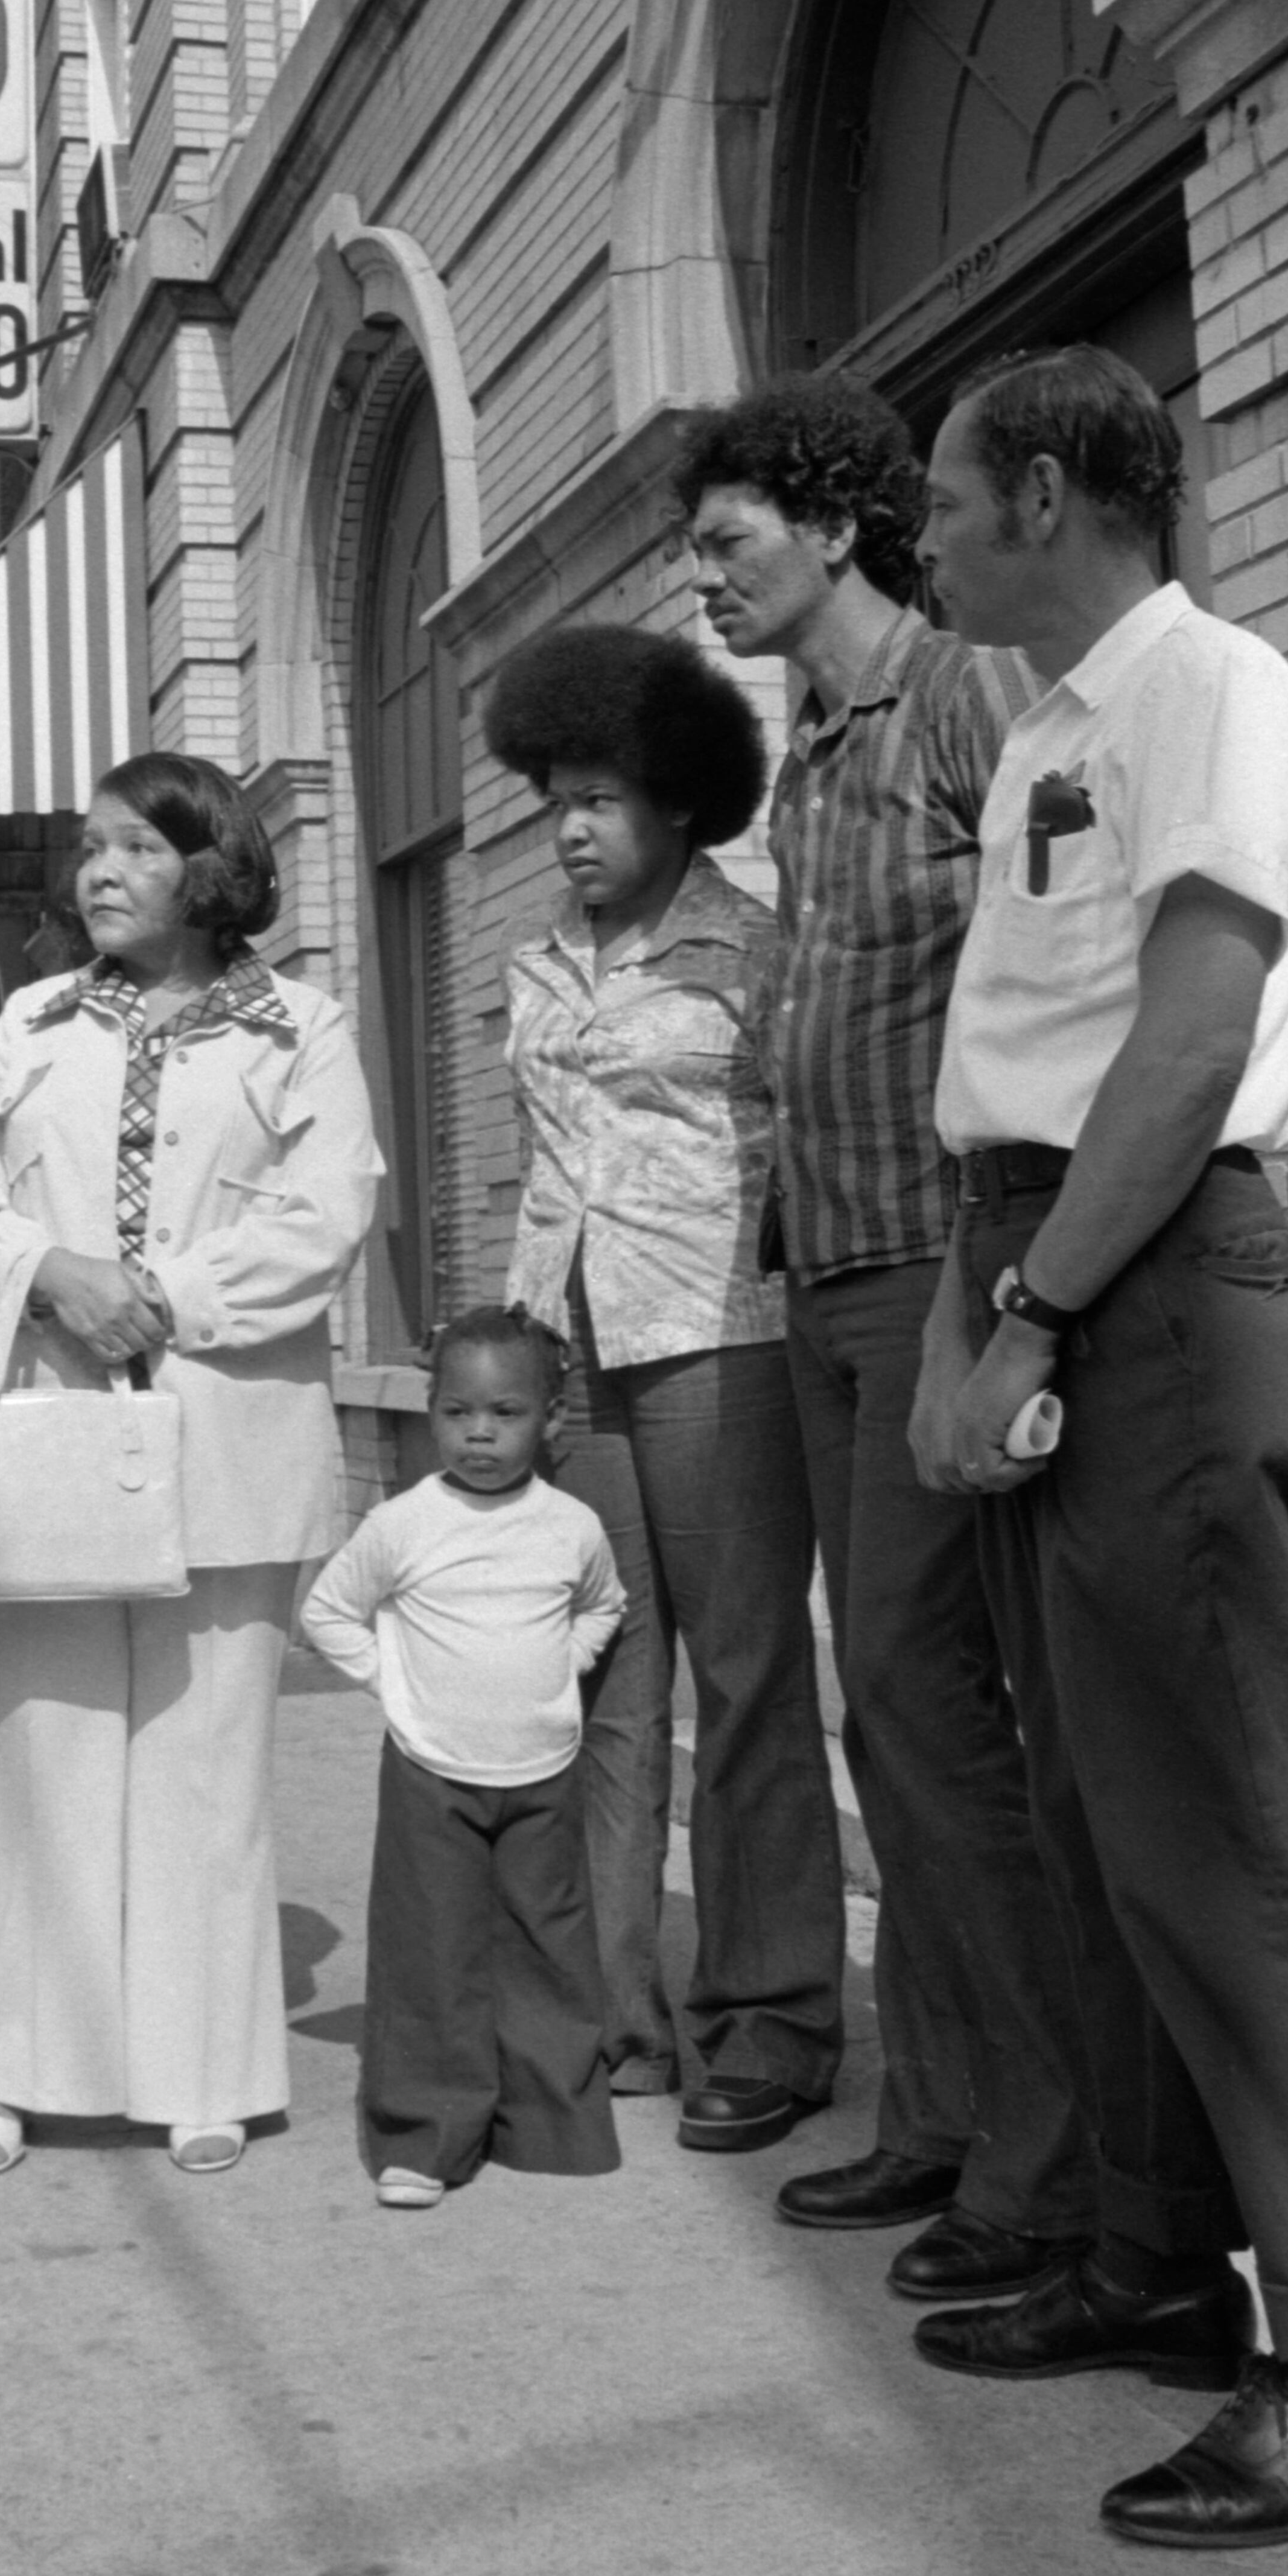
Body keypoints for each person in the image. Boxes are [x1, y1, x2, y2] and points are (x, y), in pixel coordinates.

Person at [909, 342, 1288, 2551]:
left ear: (1045, 491)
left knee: (1230, 1823)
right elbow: (1023, 1057)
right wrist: (978, 1302)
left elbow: (1195, 1028)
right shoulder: (1050, 721)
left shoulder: (1210, 682)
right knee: (1101, 1812)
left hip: (1150, 1279)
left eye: (943, 495)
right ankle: (1155, 2256)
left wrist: (1032, 1310)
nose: (917, 532)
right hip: (1037, 1253)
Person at [676, 378, 1093, 2303]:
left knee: (938, 1714)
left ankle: (1048, 2159)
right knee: (889, 1718)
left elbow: (1072, 980)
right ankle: (938, 2114)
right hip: (823, 1282)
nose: (706, 580)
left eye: (730, 541)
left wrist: (1019, 1301)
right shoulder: (807, 767)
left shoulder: (966, 699)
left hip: (947, 1275)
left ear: (836, 525)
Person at [0, 753, 379, 2178]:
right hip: (55, 1427)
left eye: (135, 847)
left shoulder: (299, 1026)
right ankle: (25, 2072)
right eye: (89, 849)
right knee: (41, 1754)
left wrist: (166, 1298)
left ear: (209, 866)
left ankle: (202, 2072)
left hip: (228, 1432)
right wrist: (53, 1270)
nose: (100, 873)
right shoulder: (34, 1024)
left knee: (203, 1765)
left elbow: (327, 1215)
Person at [487, 622, 843, 2150]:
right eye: (555, 795)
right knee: (603, 1686)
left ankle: (769, 2017)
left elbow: (811, 1147)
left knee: (750, 1683)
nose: (571, 827)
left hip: (723, 1341)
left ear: (683, 804)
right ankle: (617, 2017)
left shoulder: (757, 951)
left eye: (605, 798)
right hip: (576, 1363)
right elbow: (539, 1174)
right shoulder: (532, 964)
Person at [300, 1306, 627, 2208]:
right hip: (431, 1768)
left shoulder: (571, 1526)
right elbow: (326, 1613)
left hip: (543, 1767)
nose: (479, 1433)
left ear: (551, 1420)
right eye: (456, 1412)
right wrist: (395, 1685)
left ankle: (551, 2122)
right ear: (432, 1411)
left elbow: (603, 1606)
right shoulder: (405, 1524)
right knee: (432, 1952)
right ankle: (427, 2135)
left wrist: (567, 1666)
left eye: (506, 1413)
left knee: (549, 1945)